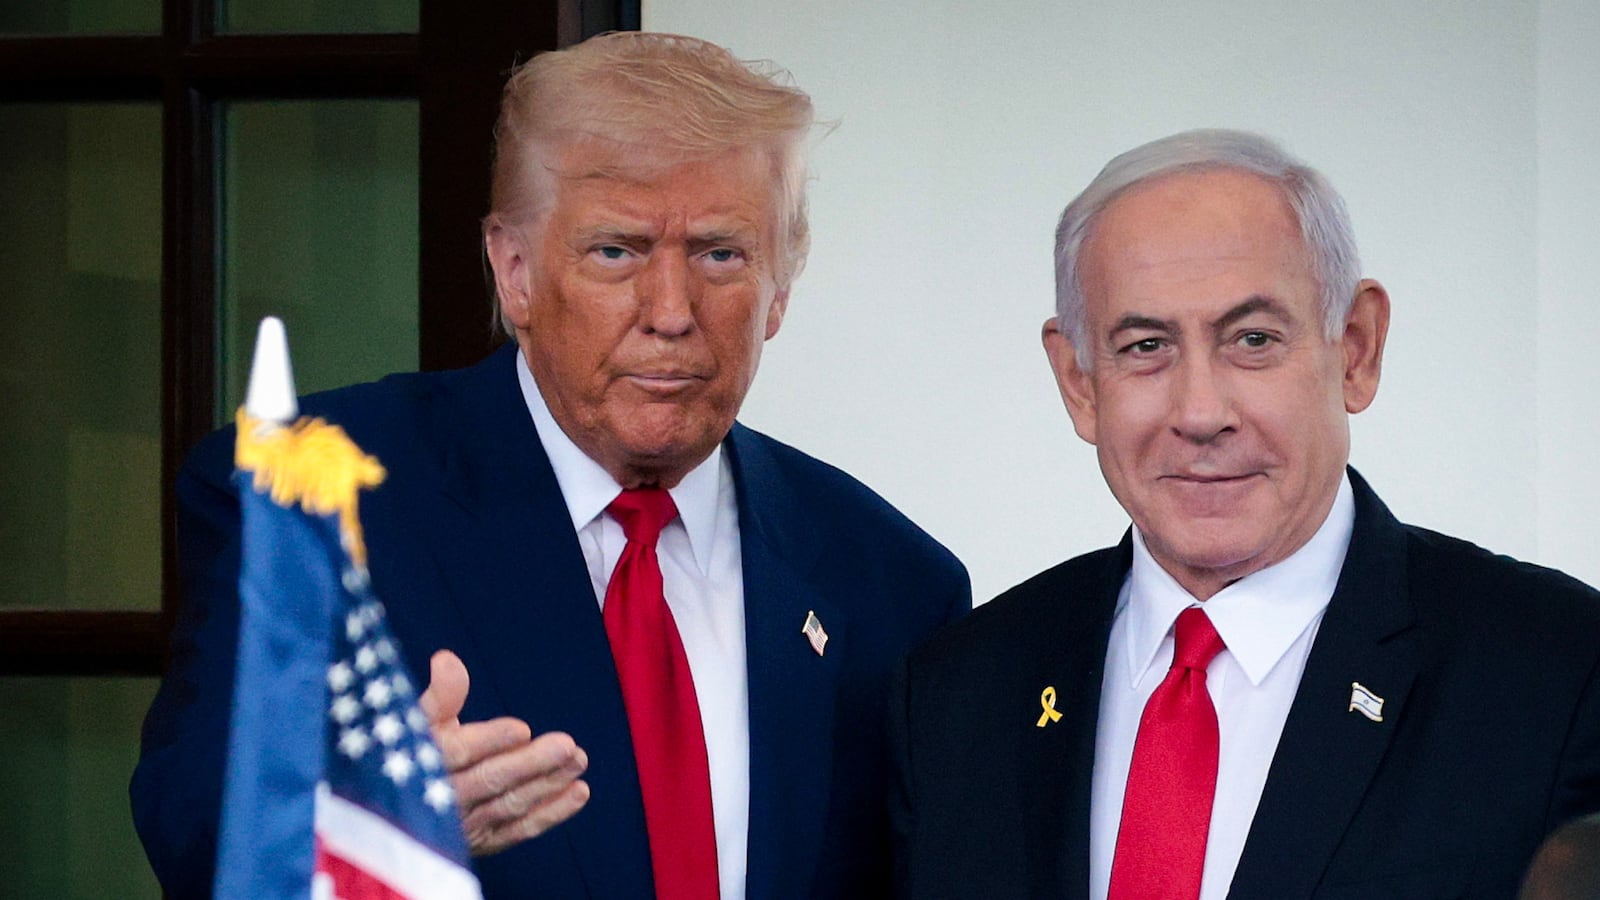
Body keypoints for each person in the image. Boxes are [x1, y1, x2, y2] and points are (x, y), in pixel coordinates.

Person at [133, 32, 970, 899]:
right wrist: (359, 829)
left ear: (781, 291)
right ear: (515, 271)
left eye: (721, 254)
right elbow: (194, 828)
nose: (672, 312)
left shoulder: (891, 582)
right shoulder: (317, 498)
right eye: (618, 252)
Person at [888, 129, 1600, 900]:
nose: (1200, 413)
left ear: (1355, 349)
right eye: (1145, 345)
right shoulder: (956, 695)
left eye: (1252, 340)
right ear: (1079, 382)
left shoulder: (1559, 675)